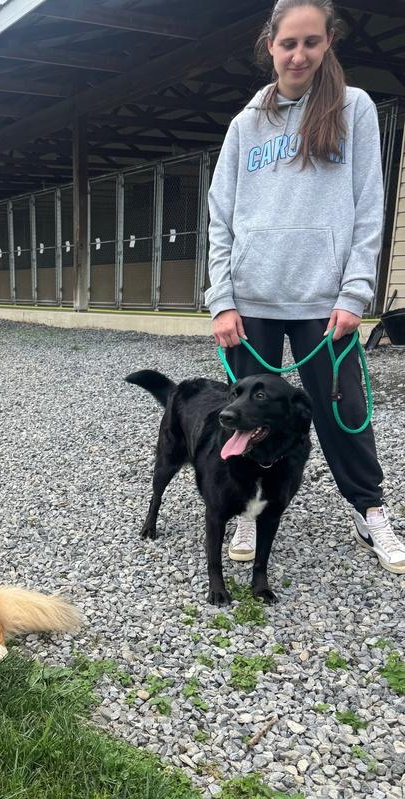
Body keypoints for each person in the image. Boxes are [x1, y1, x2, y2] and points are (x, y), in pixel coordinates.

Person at [205, 0, 404, 575]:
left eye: (311, 42)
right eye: (288, 43)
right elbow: (221, 214)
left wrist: (355, 293)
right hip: (252, 302)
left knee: (345, 414)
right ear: (270, 44)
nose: (299, 54)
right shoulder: (247, 123)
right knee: (246, 419)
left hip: (325, 304)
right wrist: (222, 299)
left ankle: (370, 510)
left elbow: (369, 206)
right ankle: (245, 509)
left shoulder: (354, 109)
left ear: (328, 44)